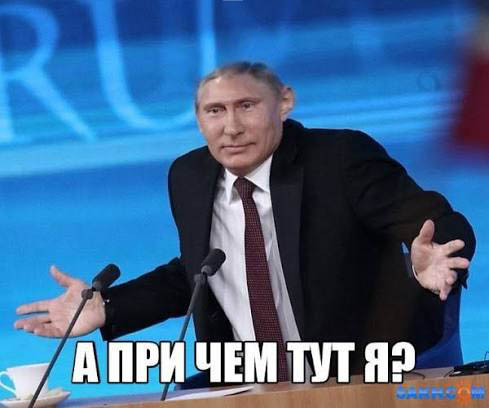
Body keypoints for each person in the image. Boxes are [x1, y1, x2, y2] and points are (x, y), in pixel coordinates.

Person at [15, 62, 475, 380]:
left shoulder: (340, 159)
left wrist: (432, 260)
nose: (231, 127)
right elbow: (198, 273)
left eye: (247, 106)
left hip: (360, 373)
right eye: (215, 111)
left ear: (284, 101)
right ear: (198, 119)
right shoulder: (189, 176)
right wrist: (107, 307)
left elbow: (439, 222)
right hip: (247, 381)